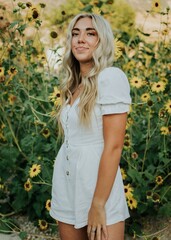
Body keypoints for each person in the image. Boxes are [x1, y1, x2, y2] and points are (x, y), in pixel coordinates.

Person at [50, 12, 131, 240]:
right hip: (67, 183)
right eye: (75, 34)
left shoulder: (111, 78)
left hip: (97, 184)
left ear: (102, 40)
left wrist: (98, 203)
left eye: (90, 33)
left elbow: (114, 146)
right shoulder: (74, 85)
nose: (80, 39)